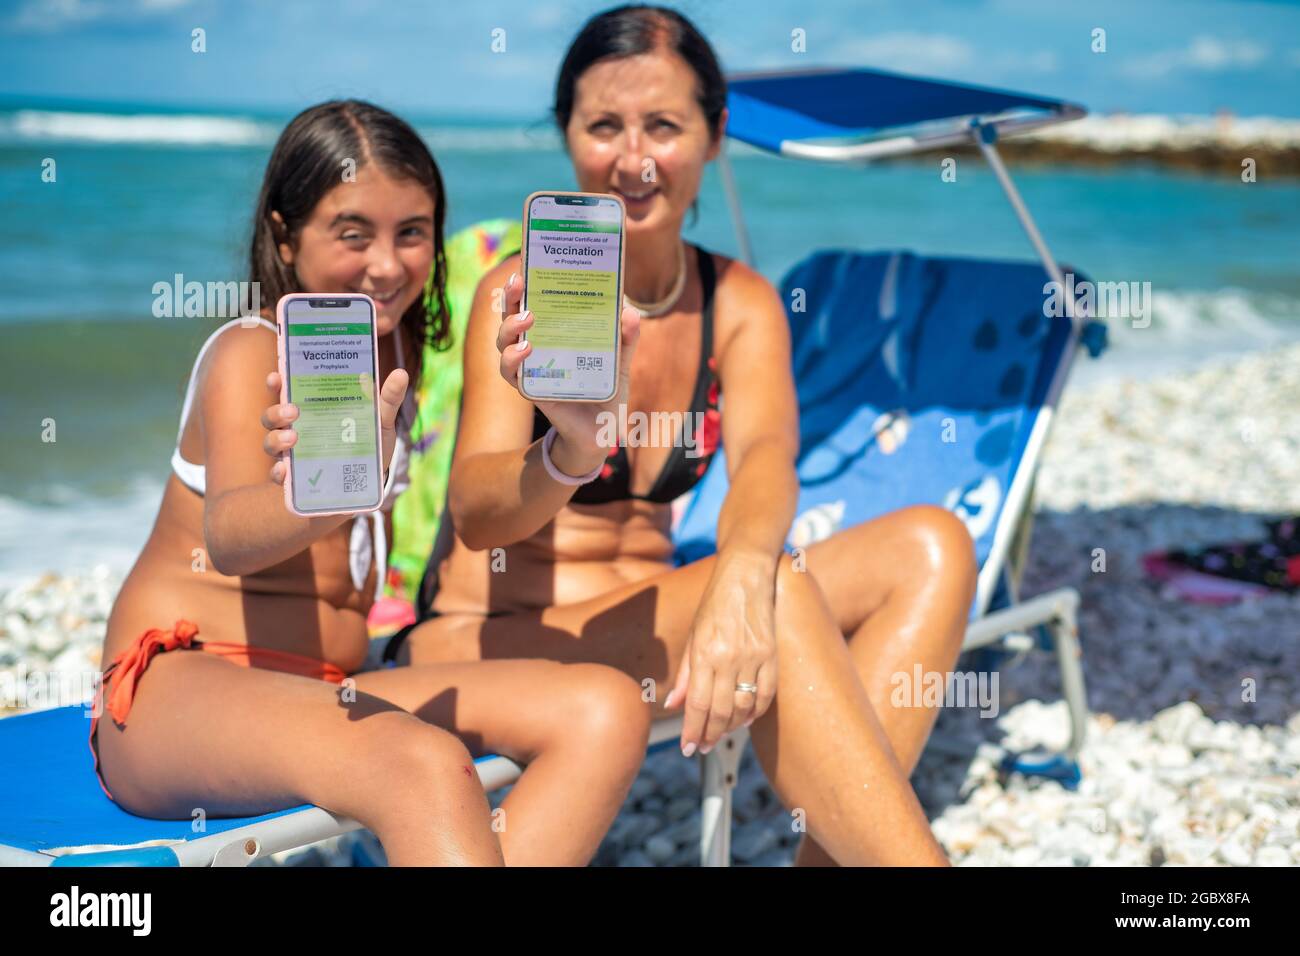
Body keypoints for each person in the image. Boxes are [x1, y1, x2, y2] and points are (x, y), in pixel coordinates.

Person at [360, 6, 981, 866]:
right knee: (781, 592)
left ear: (715, 135)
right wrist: (568, 453)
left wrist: (741, 570)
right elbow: (477, 516)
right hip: (485, 641)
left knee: (931, 546)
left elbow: (766, 457)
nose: (634, 158)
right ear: (567, 134)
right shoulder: (521, 295)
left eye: (663, 125)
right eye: (602, 126)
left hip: (648, 632)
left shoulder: (739, 301)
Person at [94, 100, 651, 867]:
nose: (387, 265)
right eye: (352, 234)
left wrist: (576, 446)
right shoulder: (252, 351)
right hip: (182, 686)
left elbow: (483, 517)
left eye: (412, 233)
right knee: (420, 763)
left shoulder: (391, 365)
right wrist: (325, 492)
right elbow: (229, 539)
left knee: (604, 708)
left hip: (333, 685)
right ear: (285, 237)